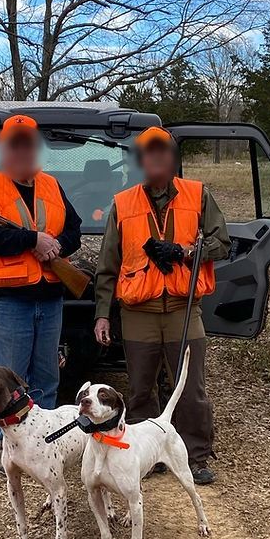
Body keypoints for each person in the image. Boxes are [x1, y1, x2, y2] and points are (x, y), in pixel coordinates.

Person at [93, 126, 230, 484]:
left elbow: (222, 243)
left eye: (162, 151)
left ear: (172, 158)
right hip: (138, 313)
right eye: (148, 152)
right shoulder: (123, 203)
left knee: (191, 388)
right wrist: (102, 314)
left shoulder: (198, 195)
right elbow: (108, 265)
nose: (156, 158)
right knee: (141, 390)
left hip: (184, 310)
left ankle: (195, 456)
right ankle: (146, 457)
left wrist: (186, 251)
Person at [0, 114, 82, 454]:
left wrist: (56, 246)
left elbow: (74, 229)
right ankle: (9, 449)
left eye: (28, 144)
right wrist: (32, 240)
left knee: (47, 376)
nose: (22, 151)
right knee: (7, 381)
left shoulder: (52, 185)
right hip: (8, 302)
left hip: (49, 298)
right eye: (15, 145)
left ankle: (44, 446)